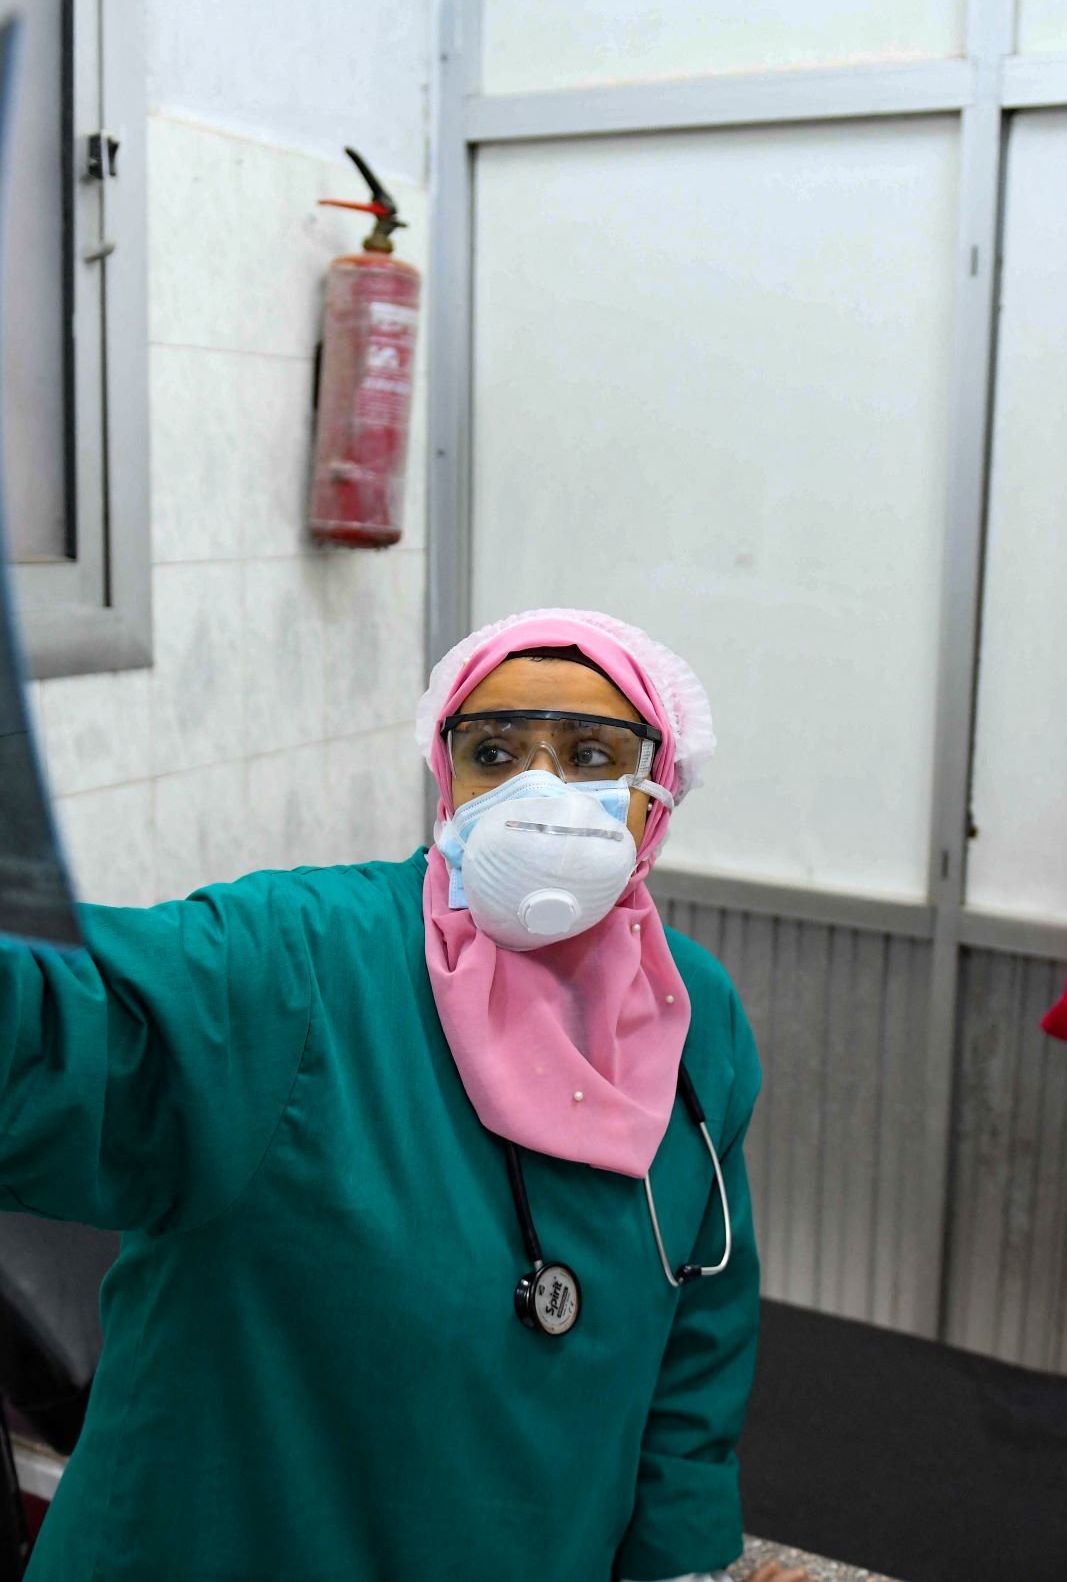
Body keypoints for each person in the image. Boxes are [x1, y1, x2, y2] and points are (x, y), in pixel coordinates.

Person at [0, 607, 807, 1582]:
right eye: (496, 750)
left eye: (592, 752)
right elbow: (62, 1020)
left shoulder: (694, 1018)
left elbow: (699, 1329)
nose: (538, 791)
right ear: (446, 777)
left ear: (659, 792)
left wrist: (675, 1552)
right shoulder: (294, 962)